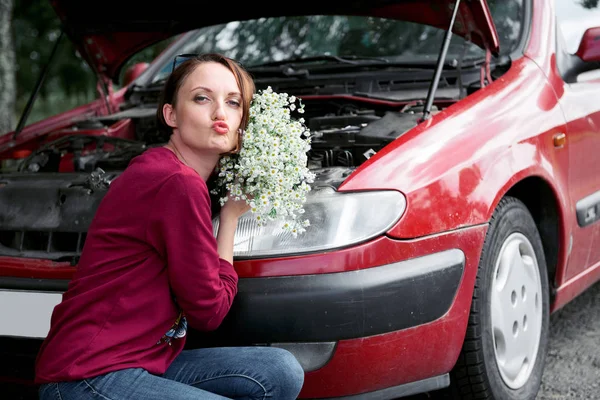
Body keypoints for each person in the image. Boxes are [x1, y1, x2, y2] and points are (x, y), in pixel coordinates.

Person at [35, 53, 305, 400]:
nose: (220, 113)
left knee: (279, 371)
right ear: (171, 115)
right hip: (87, 375)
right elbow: (210, 311)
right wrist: (231, 218)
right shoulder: (177, 182)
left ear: (243, 124)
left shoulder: (163, 168)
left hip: (140, 359)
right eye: (202, 98)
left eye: (233, 102)